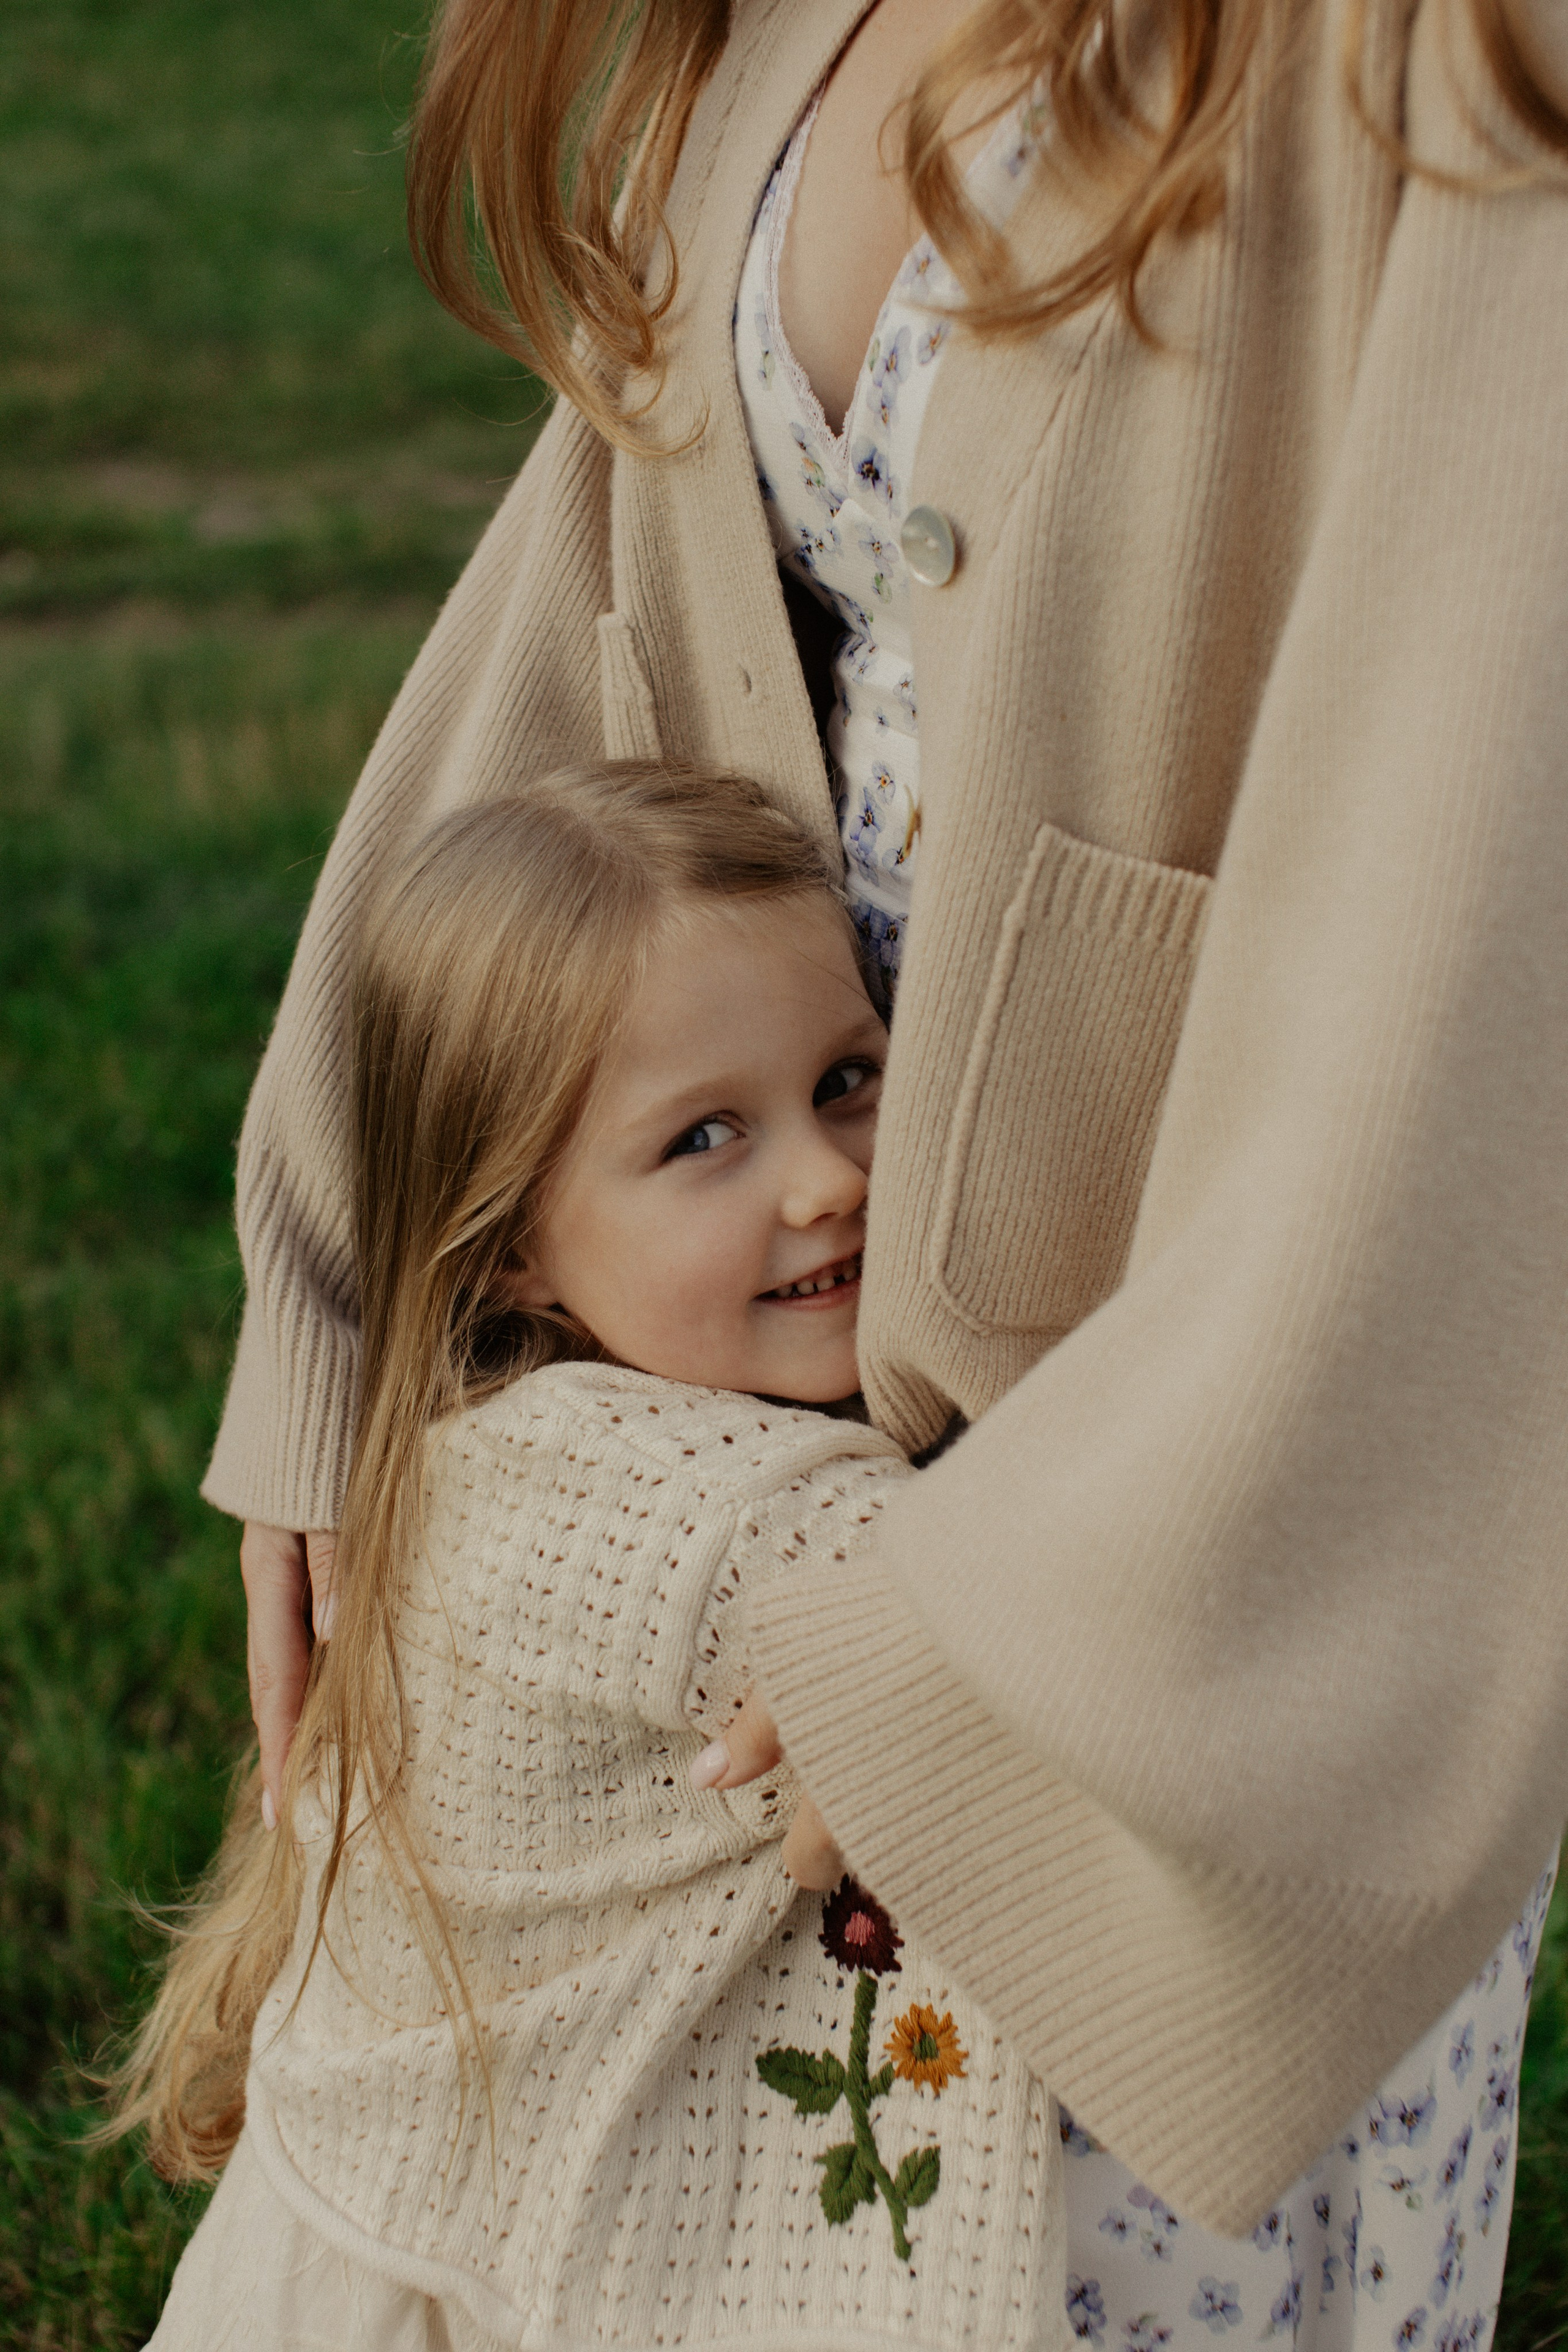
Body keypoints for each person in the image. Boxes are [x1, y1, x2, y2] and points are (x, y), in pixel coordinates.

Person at [208, 0, 1568, 2339]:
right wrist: (356, 1261)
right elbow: (599, 570)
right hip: (764, 1441)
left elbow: (1500, 884)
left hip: (1201, 1523)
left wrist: (1026, 1650)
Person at [123, 762, 1063, 2350]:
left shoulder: (502, 1418)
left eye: (848, 1078)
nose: (830, 1177)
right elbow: (1032, 1611)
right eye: (707, 1137)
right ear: (513, 1243)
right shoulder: (647, 1501)